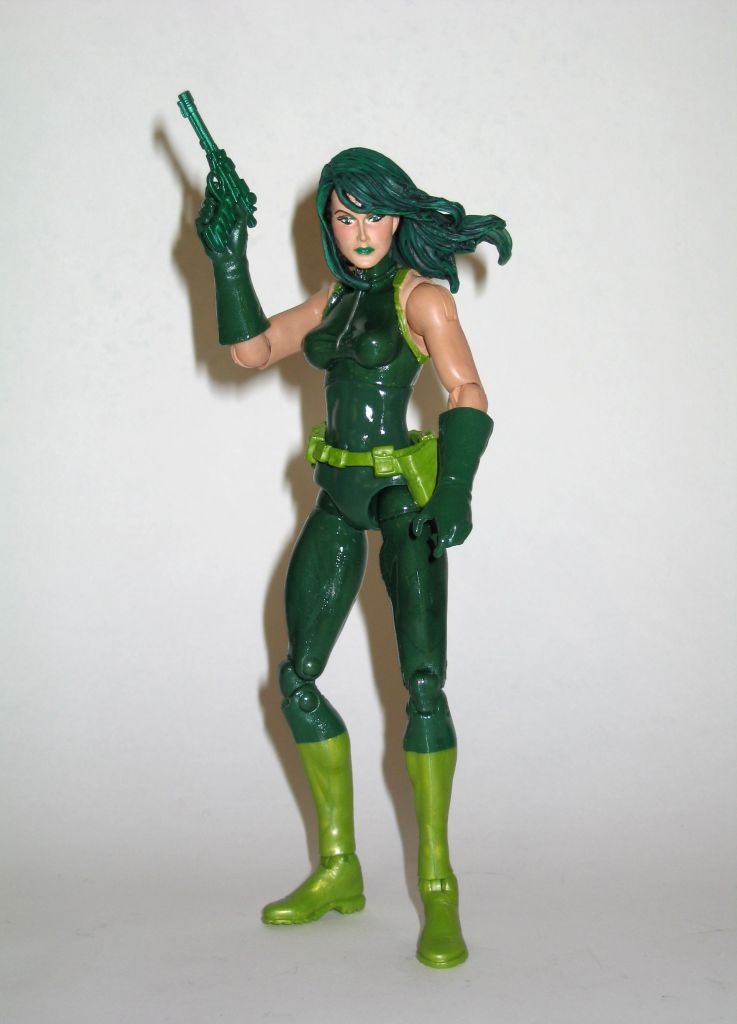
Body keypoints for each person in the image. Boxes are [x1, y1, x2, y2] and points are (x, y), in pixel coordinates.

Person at [195, 147, 511, 968]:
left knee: (423, 685)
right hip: (336, 493)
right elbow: (250, 352)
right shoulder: (332, 298)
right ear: (327, 224)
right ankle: (338, 867)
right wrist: (227, 260)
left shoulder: (420, 297)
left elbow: (466, 391)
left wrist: (454, 489)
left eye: (372, 214)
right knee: (296, 678)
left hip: (403, 495)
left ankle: (437, 885)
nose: (360, 231)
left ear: (398, 217)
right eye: (343, 216)